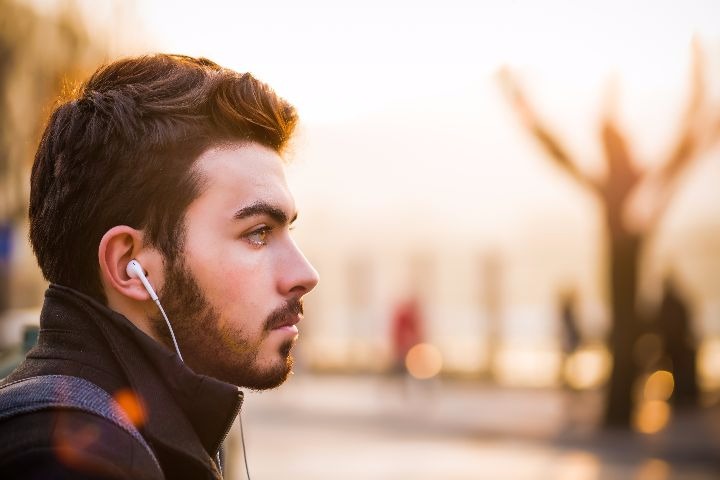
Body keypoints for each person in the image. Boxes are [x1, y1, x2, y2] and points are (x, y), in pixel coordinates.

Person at [0, 54, 319, 479]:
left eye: (288, 231)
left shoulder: (124, 435)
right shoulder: (73, 459)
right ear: (129, 264)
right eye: (257, 232)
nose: (304, 274)